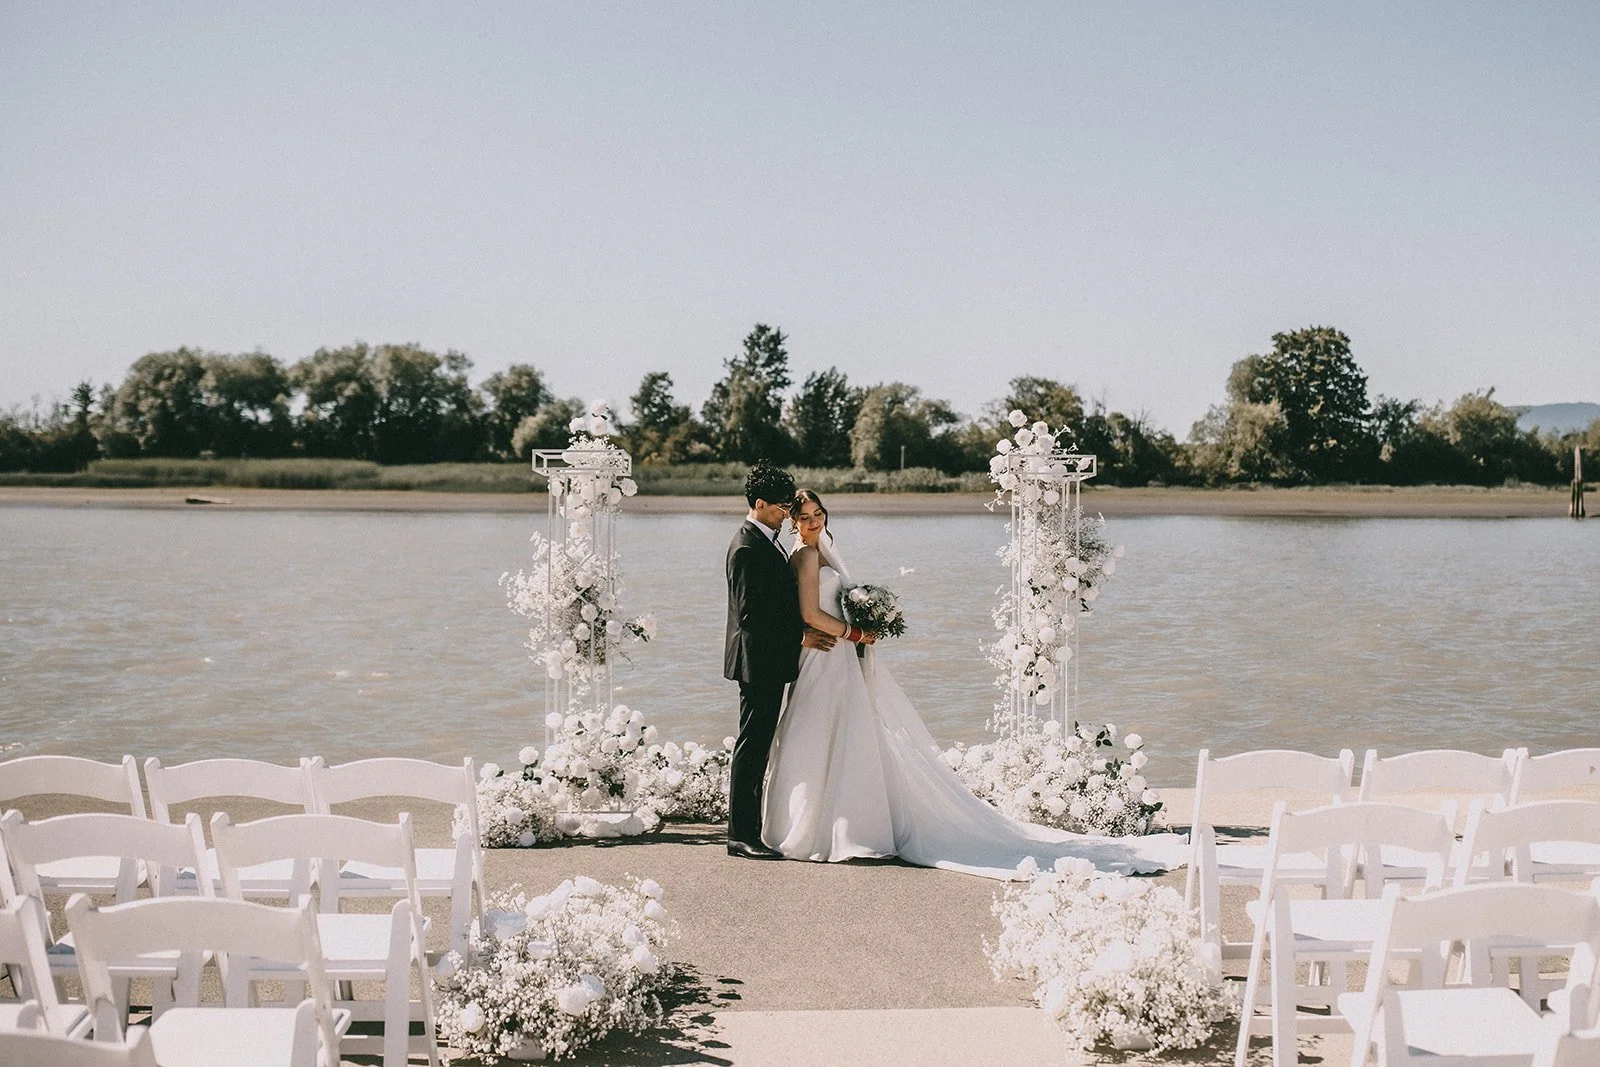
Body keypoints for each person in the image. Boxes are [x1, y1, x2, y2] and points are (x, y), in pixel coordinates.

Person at [762, 489, 1186, 879]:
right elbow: (811, 614)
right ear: (793, 521)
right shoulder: (804, 556)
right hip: (825, 657)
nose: (814, 521)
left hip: (837, 658)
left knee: (848, 733)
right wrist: (857, 634)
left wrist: (863, 621)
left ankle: (841, 823)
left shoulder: (823, 549)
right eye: (804, 516)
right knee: (819, 735)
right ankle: (820, 826)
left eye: (819, 514)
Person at [722, 465, 855, 860]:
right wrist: (800, 636)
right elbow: (750, 616)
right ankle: (740, 836)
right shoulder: (747, 546)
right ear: (758, 504)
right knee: (752, 745)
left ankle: (752, 827)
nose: (787, 514)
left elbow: (777, 602)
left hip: (771, 658)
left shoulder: (769, 538)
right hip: (756, 662)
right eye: (780, 508)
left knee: (761, 743)